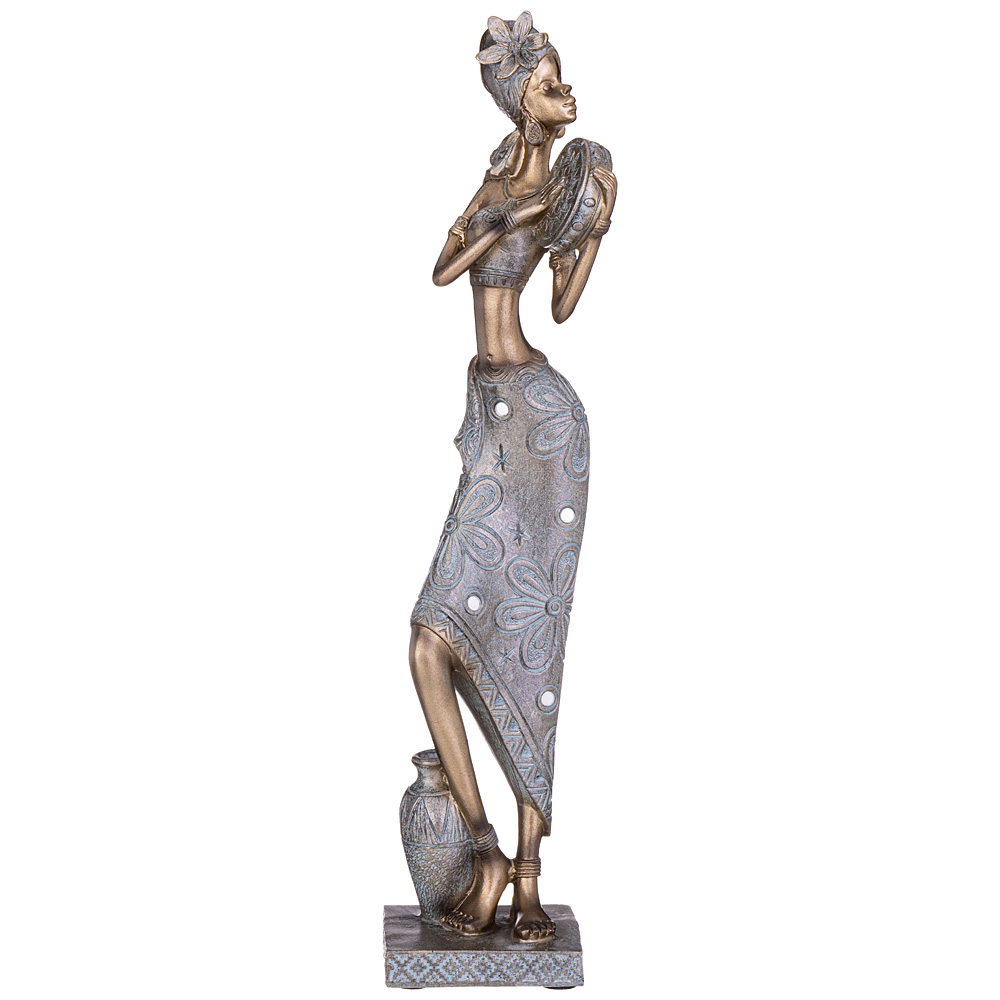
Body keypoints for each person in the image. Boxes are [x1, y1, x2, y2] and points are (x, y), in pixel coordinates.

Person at [409, 11, 616, 941]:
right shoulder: (503, 182)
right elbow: (443, 271)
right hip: (492, 414)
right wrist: (516, 215)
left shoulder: (571, 185)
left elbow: (562, 306)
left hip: (542, 421)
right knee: (430, 643)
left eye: (560, 79)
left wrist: (593, 234)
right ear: (520, 100)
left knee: (535, 648)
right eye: (548, 82)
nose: (565, 92)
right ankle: (486, 848)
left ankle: (528, 879)